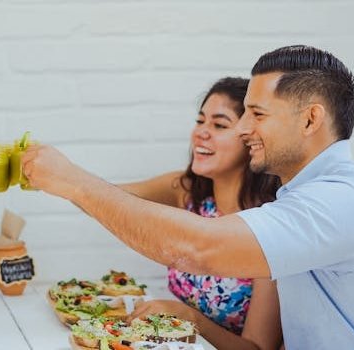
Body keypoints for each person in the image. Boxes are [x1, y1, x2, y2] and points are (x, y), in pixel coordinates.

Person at [22, 45, 354, 348]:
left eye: (257, 114)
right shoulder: (307, 197)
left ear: (311, 120)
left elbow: (198, 248)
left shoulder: (340, 201)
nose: (244, 128)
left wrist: (74, 180)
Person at [117, 77, 282, 349]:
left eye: (219, 125)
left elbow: (257, 348)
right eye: (200, 121)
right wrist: (59, 179)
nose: (201, 133)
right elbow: (111, 199)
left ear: (251, 139)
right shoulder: (188, 192)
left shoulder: (269, 229)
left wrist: (191, 319)